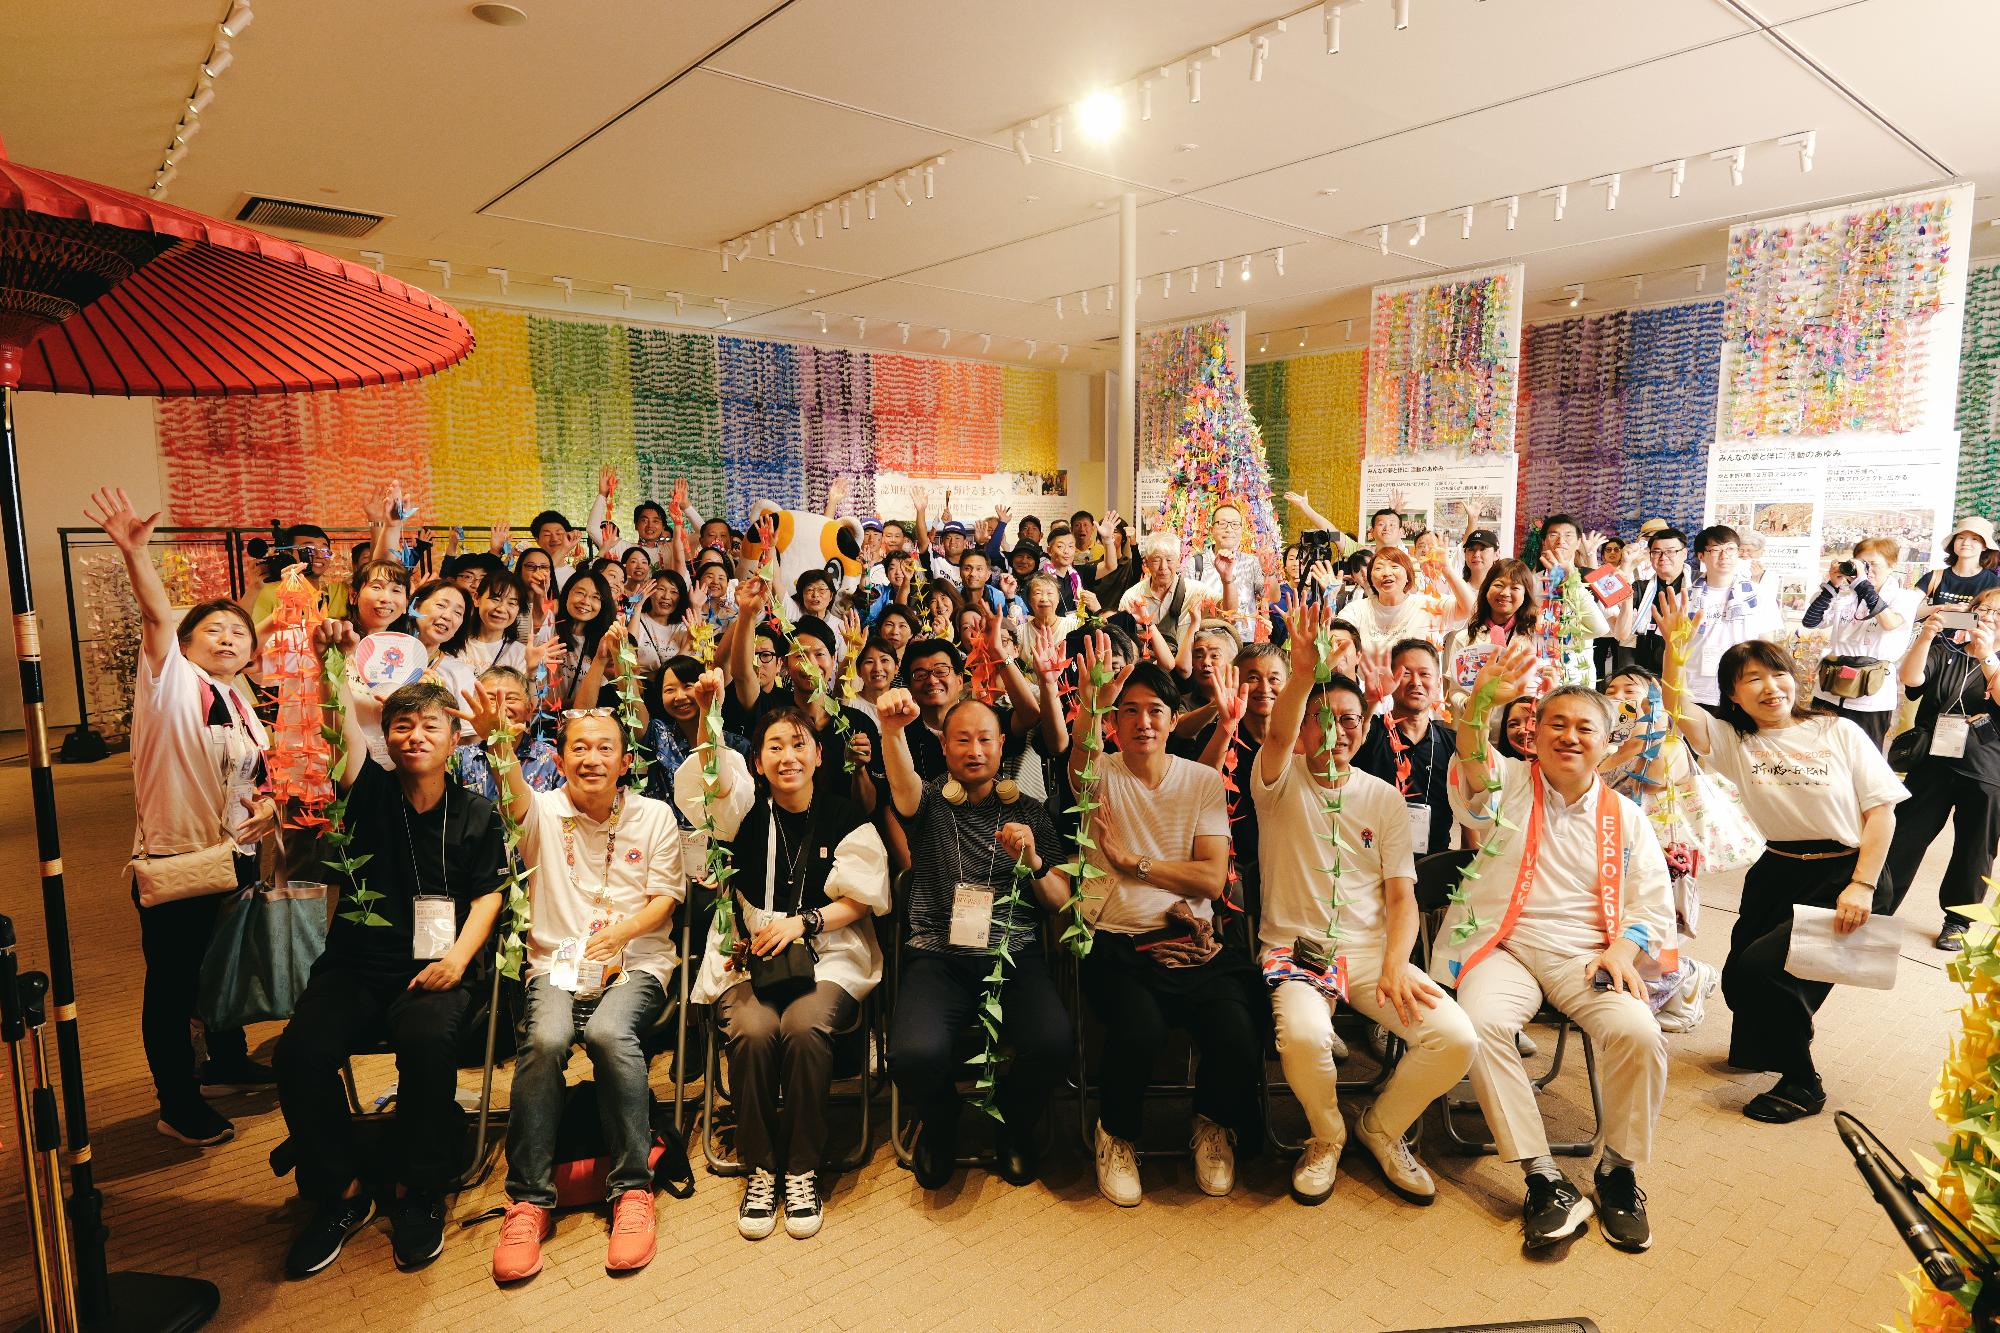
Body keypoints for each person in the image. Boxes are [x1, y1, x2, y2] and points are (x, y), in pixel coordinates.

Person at [1437, 639, 1675, 1254]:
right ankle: (1543, 1178)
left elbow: (1652, 902)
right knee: (1481, 1024)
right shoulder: (1509, 783)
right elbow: (1471, 757)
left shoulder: (1627, 816)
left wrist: (1623, 949)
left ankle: (1618, 1171)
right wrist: (1479, 704)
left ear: (1608, 741)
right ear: (1534, 734)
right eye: (1556, 724)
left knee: (1639, 1032)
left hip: (1587, 954)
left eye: (1584, 728)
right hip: (1505, 946)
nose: (1569, 737)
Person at [276, 668, 505, 1277]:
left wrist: (457, 959)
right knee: (299, 1053)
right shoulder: (369, 793)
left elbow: (489, 895)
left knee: (426, 1043)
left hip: (439, 966)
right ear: (386, 735)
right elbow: (342, 730)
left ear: (453, 739)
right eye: (402, 725)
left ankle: (419, 1189)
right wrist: (328, 663)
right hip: (356, 966)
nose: (416, 736)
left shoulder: (477, 811)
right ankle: (341, 1193)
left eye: (431, 725)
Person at [1252, 604, 1475, 1205]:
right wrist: (1302, 673)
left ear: (1364, 726)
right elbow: (1277, 734)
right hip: (1296, 950)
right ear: (1303, 729)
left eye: (1350, 719)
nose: (1337, 730)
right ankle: (1326, 1135)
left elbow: (1402, 896)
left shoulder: (1382, 798)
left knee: (1454, 1038)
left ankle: (1382, 1127)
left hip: (1373, 955)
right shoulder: (1278, 781)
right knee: (1305, 1036)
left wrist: (1399, 964)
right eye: (1321, 719)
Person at [1655, 590, 1904, 1123]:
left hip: (1846, 870)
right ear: (1733, 695)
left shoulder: (1836, 730)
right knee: (1738, 975)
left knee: (1768, 972)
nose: (1770, 687)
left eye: (1778, 674)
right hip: (1778, 869)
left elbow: (1882, 812)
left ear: (1795, 677)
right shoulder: (1733, 739)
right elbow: (1677, 708)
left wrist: (1861, 885)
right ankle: (1760, 1048)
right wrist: (1675, 651)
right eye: (1753, 679)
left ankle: (1802, 1081)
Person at [463, 693, 685, 1280]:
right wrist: (499, 744)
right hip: (557, 965)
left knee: (611, 1035)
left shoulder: (654, 816)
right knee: (544, 1040)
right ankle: (528, 1199)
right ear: (560, 760)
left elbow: (666, 898)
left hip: (636, 961)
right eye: (579, 748)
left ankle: (632, 1190)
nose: (592, 758)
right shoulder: (541, 810)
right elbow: (512, 791)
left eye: (605, 748)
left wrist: (620, 934)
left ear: (625, 761)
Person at [89, 487, 278, 1148]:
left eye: (239, 633)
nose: (228, 638)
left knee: (223, 964)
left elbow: (255, 771)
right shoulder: (168, 683)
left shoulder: (238, 695)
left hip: (234, 854)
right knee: (172, 986)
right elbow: (155, 616)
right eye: (213, 630)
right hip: (178, 859)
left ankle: (225, 1059)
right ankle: (176, 1101)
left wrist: (269, 803)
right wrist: (135, 553)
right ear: (184, 642)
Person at [672, 681, 892, 1241]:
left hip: (830, 951)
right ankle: (762, 1166)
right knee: (751, 1031)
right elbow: (712, 783)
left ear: (818, 755)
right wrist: (709, 714)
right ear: (758, 761)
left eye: (799, 745)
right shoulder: (744, 813)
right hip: (753, 954)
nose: (788, 756)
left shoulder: (844, 813)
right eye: (774, 746)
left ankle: (800, 1167)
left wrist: (804, 922)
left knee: (803, 1027)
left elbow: (863, 897)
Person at [1071, 648, 1262, 1207]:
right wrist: (1091, 701)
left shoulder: (1201, 780)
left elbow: (1211, 879)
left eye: (1155, 710)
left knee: (1237, 1027)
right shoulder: (1100, 775)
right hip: (1118, 940)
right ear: (1114, 721)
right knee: (1140, 1029)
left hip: (1191, 943)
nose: (1143, 722)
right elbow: (1081, 753)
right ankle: (1116, 1133)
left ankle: (1211, 1121)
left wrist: (1133, 864)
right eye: (1129, 711)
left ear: (1175, 718)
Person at [877, 689, 1072, 1188]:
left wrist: (1032, 861)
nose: (975, 750)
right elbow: (902, 786)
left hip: (1014, 955)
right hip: (937, 957)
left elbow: (1059, 900)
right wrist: (892, 731)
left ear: (1002, 744)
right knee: (911, 1055)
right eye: (962, 740)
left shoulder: (1031, 811)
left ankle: (1013, 1123)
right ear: (944, 746)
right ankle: (942, 1122)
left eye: (985, 739)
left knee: (1053, 1044)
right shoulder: (929, 803)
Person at [1884, 588, 2000, 951]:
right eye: (1983, 609)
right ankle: (1877, 908)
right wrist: (1926, 636)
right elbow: (1911, 678)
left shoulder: (1994, 660)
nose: (1989, 616)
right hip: (1932, 761)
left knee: (1975, 849)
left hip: (1985, 768)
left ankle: (1958, 921)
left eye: (1998, 613)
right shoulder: (1945, 650)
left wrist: (1987, 656)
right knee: (1904, 836)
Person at [727, 576, 883, 813]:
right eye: (800, 655)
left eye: (819, 654)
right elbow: (742, 675)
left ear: (833, 659)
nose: (810, 664)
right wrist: (747, 614)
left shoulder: (857, 725)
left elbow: (868, 808)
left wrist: (859, 769)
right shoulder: (772, 711)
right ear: (785, 664)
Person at [1801, 538, 1917, 748]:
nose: (1867, 570)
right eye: (1863, 564)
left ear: (1892, 565)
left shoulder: (1904, 597)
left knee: (1864, 755)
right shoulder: (1846, 595)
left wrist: (1861, 584)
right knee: (1821, 751)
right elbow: (1811, 622)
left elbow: (1890, 623)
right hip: (1830, 689)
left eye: (1873, 564)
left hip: (1871, 695)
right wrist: (1832, 585)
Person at [1354, 640, 1458, 857]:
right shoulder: (1371, 731)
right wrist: (1370, 700)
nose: (1416, 682)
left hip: (1433, 862)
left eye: (1424, 674)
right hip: (1372, 859)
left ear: (1438, 684)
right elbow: (1354, 737)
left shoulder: (1452, 744)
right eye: (1406, 674)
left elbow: (1468, 814)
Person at [1680, 526, 1762, 713]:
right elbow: (1674, 648)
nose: (1724, 556)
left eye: (1730, 549)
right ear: (1701, 556)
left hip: (1745, 689)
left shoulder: (1758, 595)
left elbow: (1767, 642)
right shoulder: (1683, 598)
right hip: (1696, 691)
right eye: (1716, 550)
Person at [452, 667, 563, 799]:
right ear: (475, 708)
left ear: (529, 710)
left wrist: (498, 739)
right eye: (491, 699)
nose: (501, 707)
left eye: (511, 699)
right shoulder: (460, 758)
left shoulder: (553, 761)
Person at [1614, 526, 1691, 675]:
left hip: (1685, 670)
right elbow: (1620, 634)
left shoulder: (1698, 586)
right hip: (1645, 671)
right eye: (1656, 552)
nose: (1663, 557)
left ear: (1684, 553)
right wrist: (1626, 564)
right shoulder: (1640, 587)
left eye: (1670, 551)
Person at [1118, 533, 1199, 655]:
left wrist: (1227, 581)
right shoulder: (1132, 597)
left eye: (1169, 560)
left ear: (1179, 561)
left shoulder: (1195, 591)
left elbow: (1226, 609)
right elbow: (1122, 642)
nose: (1163, 567)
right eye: (1156, 560)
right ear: (1146, 563)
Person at [1915, 516, 2000, 610]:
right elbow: (1908, 609)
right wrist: (1944, 608)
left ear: (1985, 546)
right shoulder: (1934, 577)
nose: (1966, 543)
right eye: (1960, 537)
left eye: (1975, 539)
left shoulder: (1995, 584)